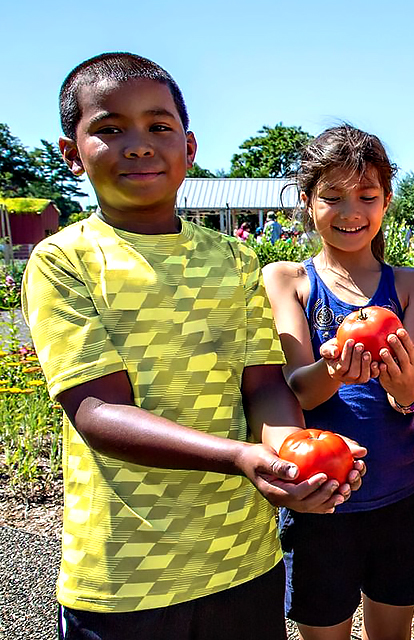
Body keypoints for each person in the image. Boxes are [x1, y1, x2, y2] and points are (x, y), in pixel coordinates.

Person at [22, 52, 365, 640]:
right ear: (71, 153)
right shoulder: (63, 260)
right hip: (128, 573)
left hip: (245, 559)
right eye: (110, 129)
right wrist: (239, 457)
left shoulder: (234, 258)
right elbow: (97, 411)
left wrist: (295, 455)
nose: (138, 145)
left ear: (190, 146)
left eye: (159, 126)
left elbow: (263, 386)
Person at [262, 124, 414, 640]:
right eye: (332, 196)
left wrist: (405, 389)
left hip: (400, 491)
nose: (350, 211)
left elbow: (411, 396)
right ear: (307, 201)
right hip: (320, 493)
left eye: (366, 195)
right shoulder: (288, 280)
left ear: (386, 201)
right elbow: (299, 390)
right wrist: (335, 370)